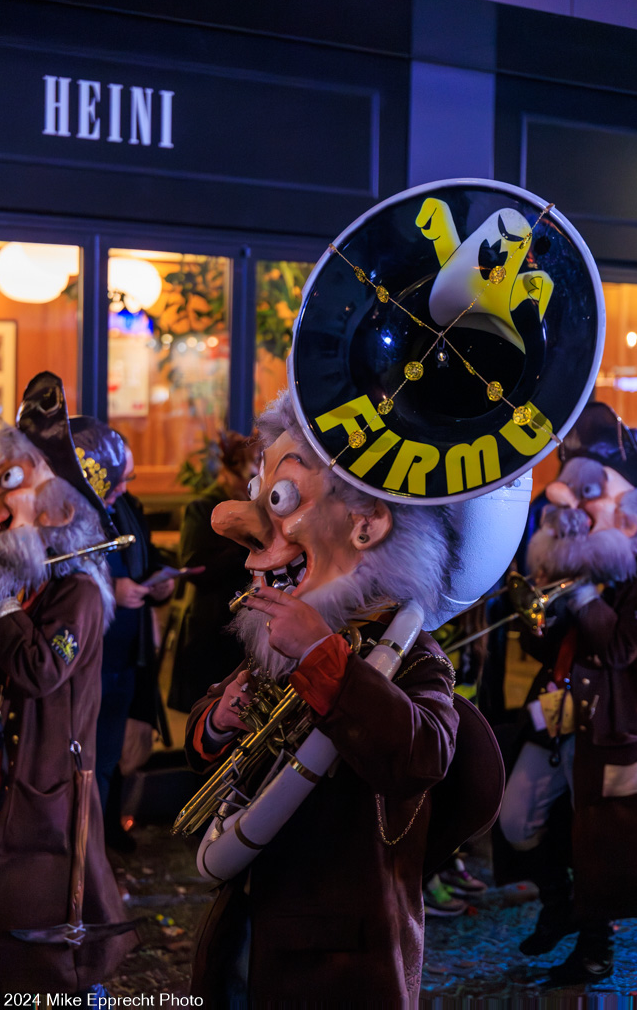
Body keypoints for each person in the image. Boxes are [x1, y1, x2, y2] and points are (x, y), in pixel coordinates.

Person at [183, 391, 503, 1006]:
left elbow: (420, 759)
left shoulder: (408, 652)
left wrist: (324, 660)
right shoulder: (281, 633)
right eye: (259, 490)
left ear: (366, 524)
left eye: (281, 498)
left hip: (339, 961)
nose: (237, 520)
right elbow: (215, 732)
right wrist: (219, 720)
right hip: (251, 923)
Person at [496, 401, 637, 985]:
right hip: (556, 713)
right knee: (517, 818)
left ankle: (595, 947)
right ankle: (559, 903)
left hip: (611, 728)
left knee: (604, 840)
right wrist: (539, 617)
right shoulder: (573, 563)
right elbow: (547, 650)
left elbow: (621, 648)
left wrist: (586, 594)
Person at [0, 372, 137, 994]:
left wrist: (0, 606)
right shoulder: (42, 582)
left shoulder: (76, 592)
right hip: (21, 780)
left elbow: (38, 670)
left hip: (50, 789)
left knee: (55, 940)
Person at [72, 425, 175, 852]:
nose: (124, 487)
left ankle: (94, 854)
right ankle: (77, 860)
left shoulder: (125, 506)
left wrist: (159, 583)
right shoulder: (74, 511)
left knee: (108, 763)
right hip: (88, 656)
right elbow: (59, 576)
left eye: (128, 477)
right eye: (120, 477)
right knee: (80, 764)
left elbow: (144, 559)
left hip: (124, 656)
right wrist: (111, 591)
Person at [168, 430, 258, 713]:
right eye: (250, 475)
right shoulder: (203, 508)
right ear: (232, 472)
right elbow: (196, 568)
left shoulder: (258, 509)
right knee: (208, 715)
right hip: (211, 628)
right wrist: (247, 548)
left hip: (244, 631)